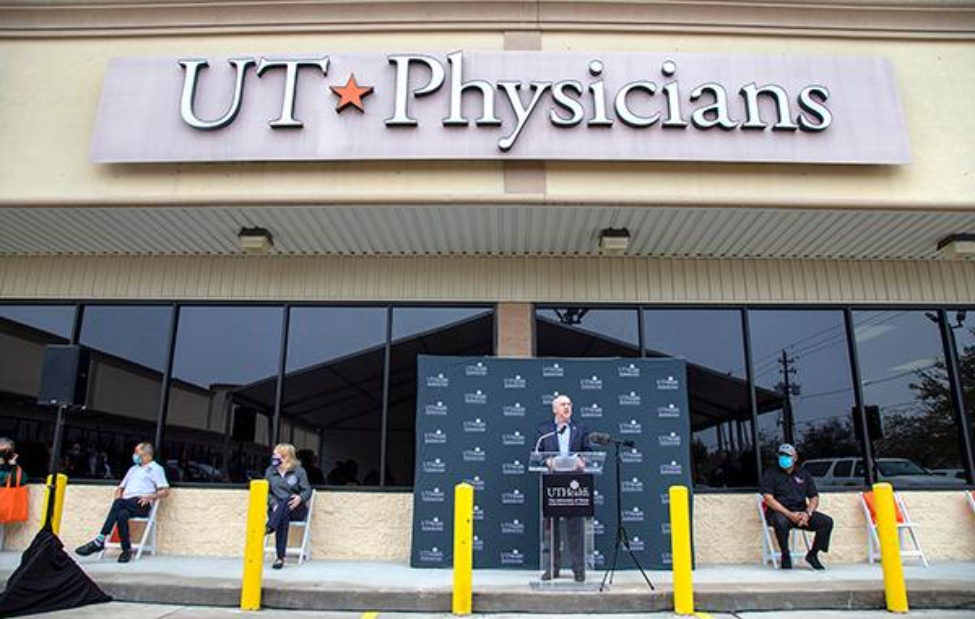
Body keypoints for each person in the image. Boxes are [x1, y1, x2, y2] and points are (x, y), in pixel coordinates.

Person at [75, 442, 169, 563]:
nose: (134, 455)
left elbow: (165, 491)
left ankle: (99, 541)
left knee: (119, 504)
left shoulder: (156, 469)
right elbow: (120, 488)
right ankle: (126, 551)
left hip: (141, 503)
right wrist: (118, 498)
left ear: (147, 454)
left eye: (137, 452)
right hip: (125, 503)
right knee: (121, 514)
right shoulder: (133, 469)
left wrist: (151, 496)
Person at [534, 394, 592, 582]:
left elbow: (588, 451)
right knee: (552, 529)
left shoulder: (580, 428)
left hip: (575, 484)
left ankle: (579, 570)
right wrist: (547, 460)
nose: (567, 407)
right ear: (555, 409)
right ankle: (552, 568)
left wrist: (583, 460)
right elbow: (538, 454)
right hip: (553, 482)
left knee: (576, 528)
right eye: (562, 405)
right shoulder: (544, 430)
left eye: (569, 404)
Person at [761, 443, 833, 570]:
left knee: (826, 522)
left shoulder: (803, 474)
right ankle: (785, 555)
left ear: (795, 458)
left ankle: (813, 555)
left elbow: (814, 497)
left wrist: (808, 513)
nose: (783, 458)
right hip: (780, 512)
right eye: (781, 455)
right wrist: (789, 514)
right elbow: (768, 498)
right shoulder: (770, 473)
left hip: (801, 513)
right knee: (780, 521)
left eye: (787, 456)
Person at [265, 443, 312, 569]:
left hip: (295, 508)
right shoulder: (270, 471)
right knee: (282, 517)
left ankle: (270, 526)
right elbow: (266, 492)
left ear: (286, 457)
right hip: (276, 510)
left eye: (276, 454)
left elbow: (307, 490)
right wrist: (274, 504)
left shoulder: (299, 471)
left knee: (288, 500)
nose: (273, 456)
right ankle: (280, 558)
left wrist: (300, 498)